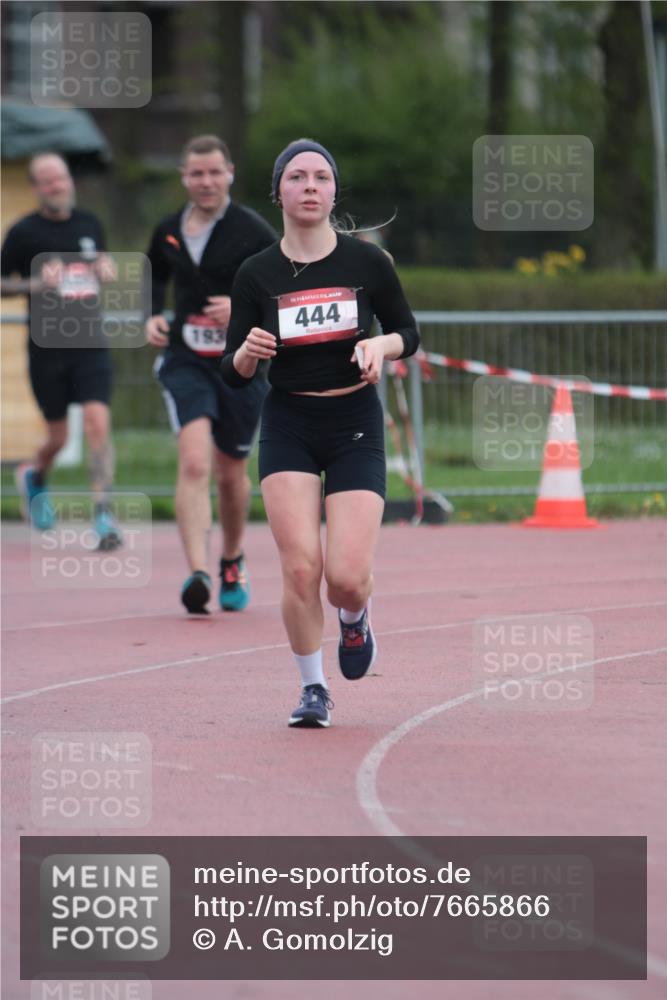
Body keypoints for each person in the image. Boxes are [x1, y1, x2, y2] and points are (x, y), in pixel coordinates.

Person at [221, 139, 419, 727]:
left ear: (334, 192)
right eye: (298, 177)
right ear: (278, 191)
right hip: (290, 422)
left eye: (322, 178)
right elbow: (231, 373)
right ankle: (312, 689)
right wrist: (247, 355)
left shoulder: (367, 264)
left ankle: (355, 622)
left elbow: (408, 331)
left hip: (354, 420)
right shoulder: (255, 273)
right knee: (301, 568)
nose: (310, 186)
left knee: (346, 580)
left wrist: (376, 344)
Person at [144, 135, 277, 614]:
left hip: (240, 365)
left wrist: (242, 311)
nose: (205, 182)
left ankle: (232, 558)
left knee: (231, 472)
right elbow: (153, 274)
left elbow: (282, 288)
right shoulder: (168, 229)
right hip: (185, 360)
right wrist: (152, 315)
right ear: (184, 177)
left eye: (214, 173)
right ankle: (198, 571)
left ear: (230, 173)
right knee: (195, 461)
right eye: (196, 174)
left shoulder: (252, 229)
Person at [1, 152, 122, 549]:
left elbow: (98, 269)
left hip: (90, 342)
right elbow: (4, 285)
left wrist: (106, 271)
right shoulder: (23, 233)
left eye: (62, 179)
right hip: (47, 348)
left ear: (71, 181)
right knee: (56, 437)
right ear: (37, 188)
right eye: (48, 182)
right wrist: (37, 284)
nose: (58, 187)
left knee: (97, 423)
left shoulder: (90, 224)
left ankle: (104, 513)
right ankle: (35, 475)